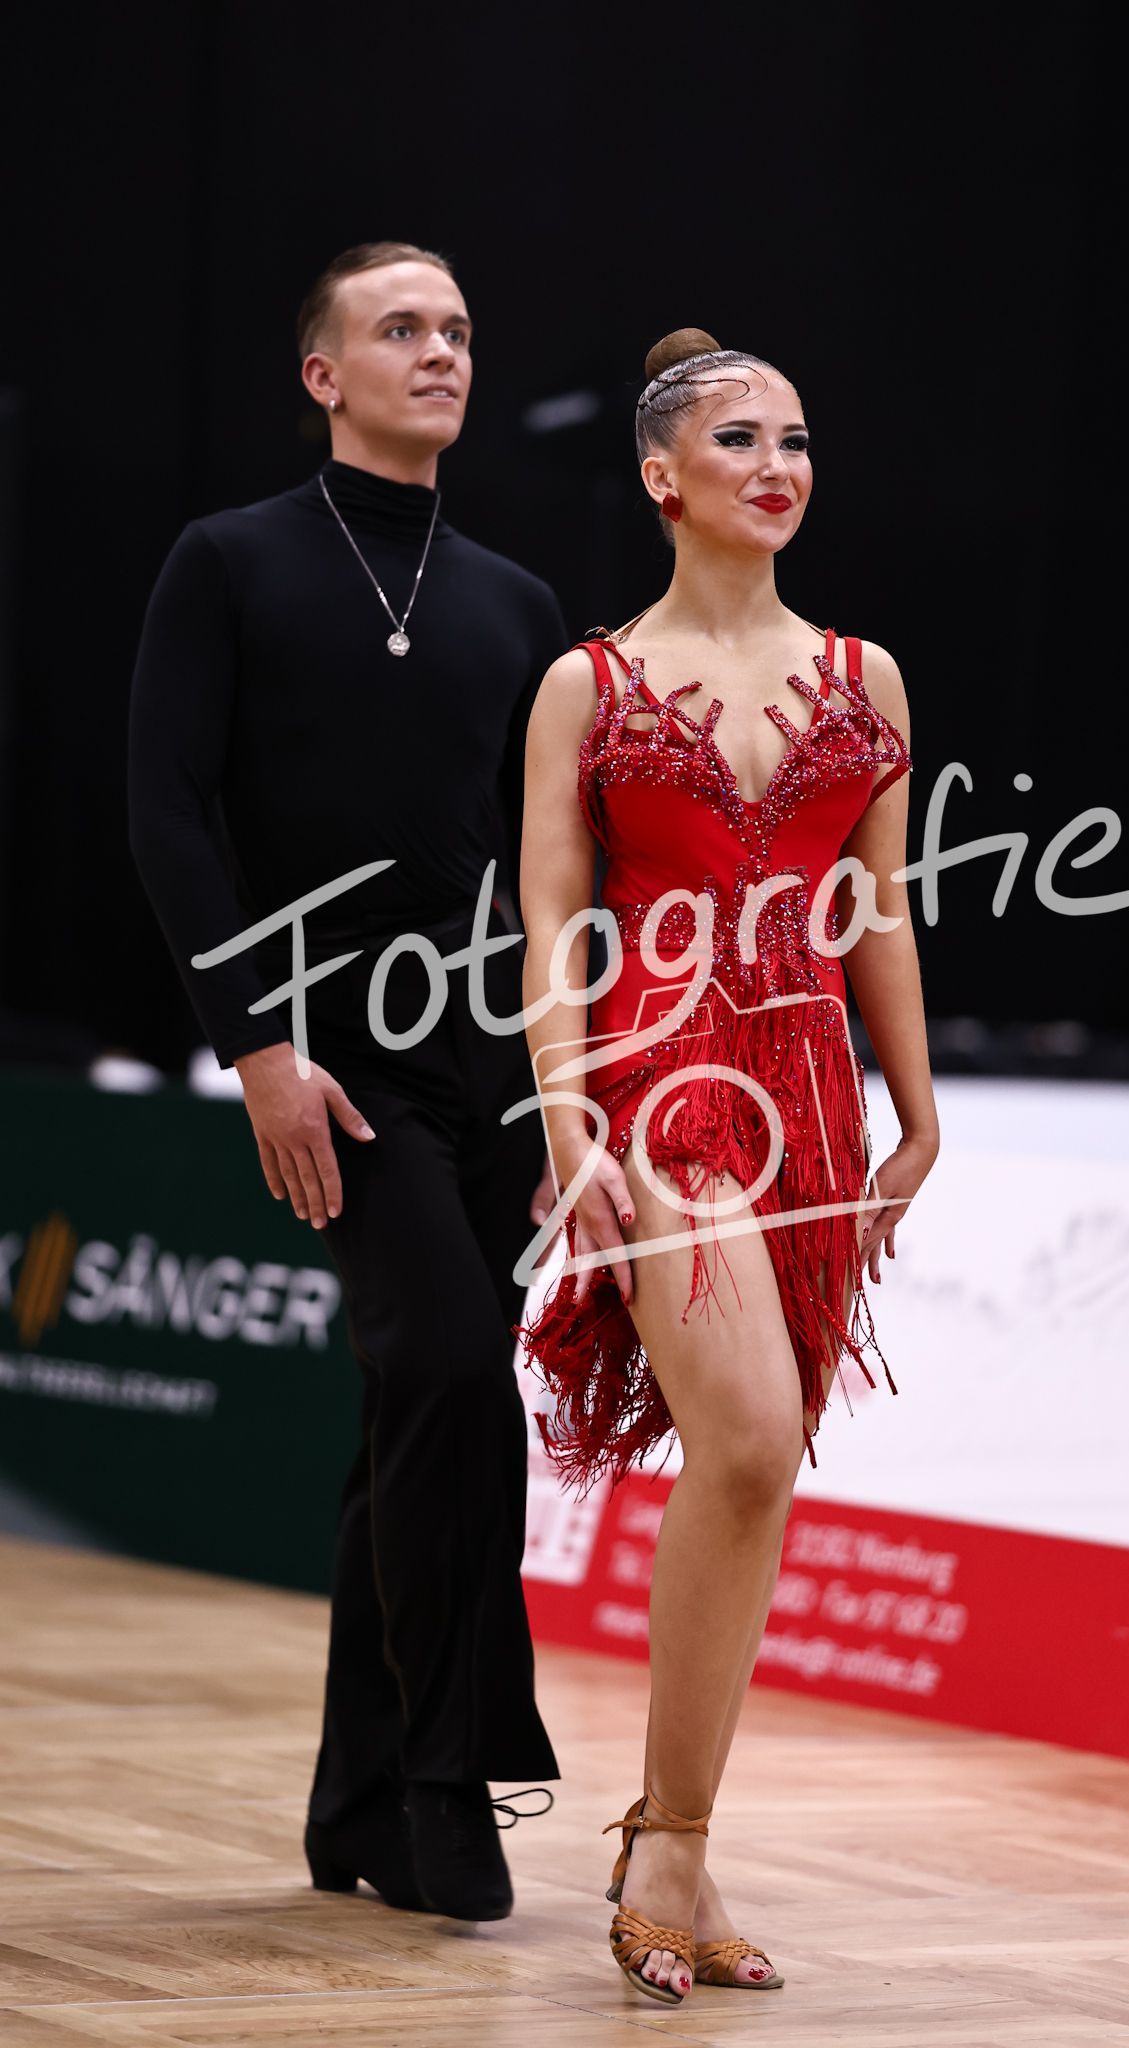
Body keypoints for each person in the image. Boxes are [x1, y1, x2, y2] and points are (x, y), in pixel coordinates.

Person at [128, 241, 564, 1921]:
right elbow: (169, 810)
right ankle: (452, 1785)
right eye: (401, 329)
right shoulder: (229, 561)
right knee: (447, 1371)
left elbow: (546, 874)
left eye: (457, 328)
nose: (440, 350)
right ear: (324, 374)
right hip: (333, 1052)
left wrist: (561, 1093)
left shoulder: (517, 604)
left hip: (490, 1065)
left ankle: (355, 1806)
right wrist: (254, 1045)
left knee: (416, 1419)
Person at [515, 328, 940, 2004]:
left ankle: (673, 1834)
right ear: (660, 477)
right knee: (750, 1435)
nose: (779, 465)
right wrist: (565, 1114)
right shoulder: (588, 684)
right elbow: (551, 920)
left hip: (811, 1099)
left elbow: (878, 911)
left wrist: (918, 1111)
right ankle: (667, 1841)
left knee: (756, 1473)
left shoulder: (864, 676)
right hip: (661, 1083)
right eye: (741, 439)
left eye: (797, 440)